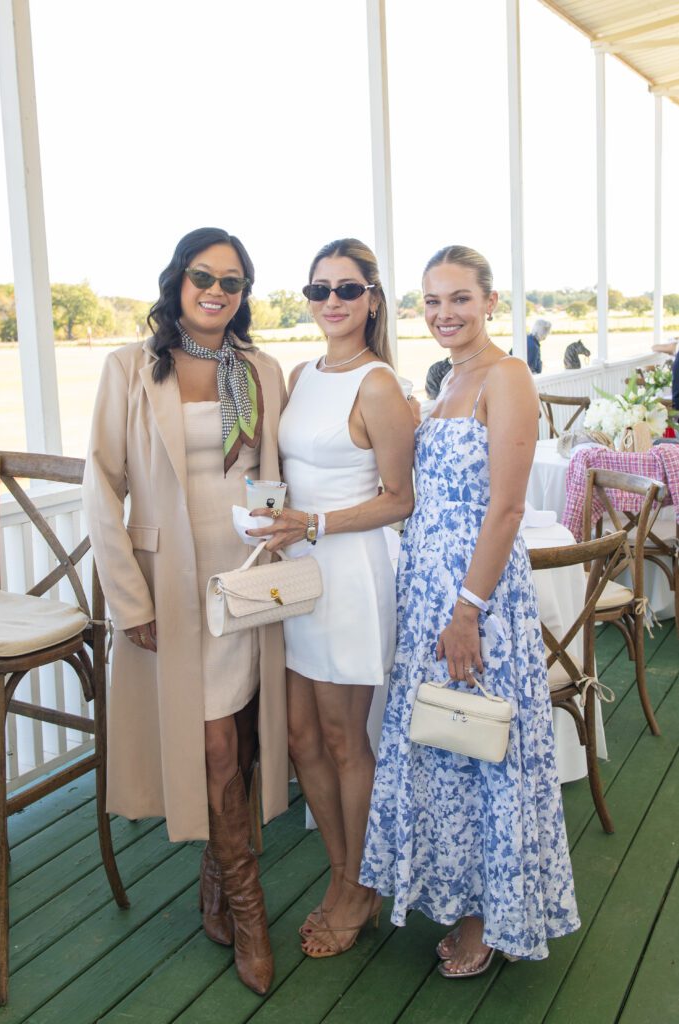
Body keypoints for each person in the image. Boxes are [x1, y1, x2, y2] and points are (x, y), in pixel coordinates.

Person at [360, 244, 580, 975]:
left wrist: (466, 612)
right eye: (431, 300)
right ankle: (457, 894)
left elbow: (507, 508)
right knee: (444, 742)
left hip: (474, 598)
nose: (444, 313)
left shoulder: (506, 375)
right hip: (427, 590)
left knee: (482, 743)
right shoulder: (448, 378)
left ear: (490, 302)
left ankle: (490, 916)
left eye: (459, 298)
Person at [82, 227, 289, 996]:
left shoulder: (261, 370)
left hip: (251, 579)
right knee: (213, 745)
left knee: (243, 735)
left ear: (243, 295)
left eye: (232, 282)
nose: (216, 291)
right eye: (203, 276)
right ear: (177, 282)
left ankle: (215, 872)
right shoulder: (129, 369)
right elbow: (100, 485)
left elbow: (281, 469)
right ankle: (249, 907)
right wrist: (127, 599)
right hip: (171, 587)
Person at [248, 238, 415, 958]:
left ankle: (361, 886)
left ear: (372, 300)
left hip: (348, 573)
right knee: (300, 737)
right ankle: (343, 871)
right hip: (295, 573)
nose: (332, 302)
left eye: (348, 289)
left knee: (347, 739)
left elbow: (399, 499)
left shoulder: (377, 385)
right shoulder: (301, 373)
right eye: (319, 290)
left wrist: (313, 523)